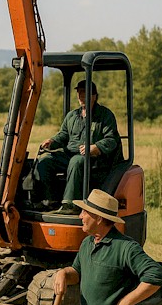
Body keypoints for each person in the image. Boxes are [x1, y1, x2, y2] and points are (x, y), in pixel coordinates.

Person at [35, 80, 121, 214]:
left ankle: (71, 205)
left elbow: (111, 140)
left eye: (84, 92)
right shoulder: (72, 116)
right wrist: (52, 141)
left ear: (94, 96)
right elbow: (63, 135)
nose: (80, 96)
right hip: (69, 155)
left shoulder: (105, 115)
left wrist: (96, 147)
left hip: (93, 159)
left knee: (76, 161)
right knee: (45, 161)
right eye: (79, 92)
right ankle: (49, 200)